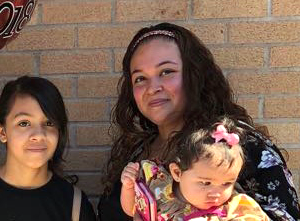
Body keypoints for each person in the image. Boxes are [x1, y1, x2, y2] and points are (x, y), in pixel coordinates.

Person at [98, 22, 299, 221]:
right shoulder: (135, 154)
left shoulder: (236, 144)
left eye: (166, 72)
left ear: (194, 75)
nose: (153, 87)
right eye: (140, 78)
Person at [0, 76, 96, 221]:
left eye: (49, 123)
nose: (38, 135)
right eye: (24, 123)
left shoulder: (74, 205)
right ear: (2, 132)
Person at [121, 117, 269, 220]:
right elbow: (133, 209)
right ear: (177, 172)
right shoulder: (160, 186)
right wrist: (128, 187)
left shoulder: (236, 209)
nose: (216, 194)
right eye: (205, 183)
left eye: (227, 183)